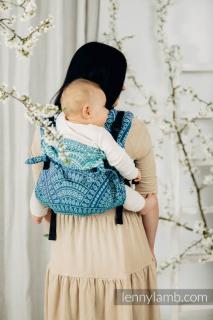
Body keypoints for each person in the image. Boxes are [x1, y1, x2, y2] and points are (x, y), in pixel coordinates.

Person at [30, 42, 160, 319]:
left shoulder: (47, 132)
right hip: (126, 255)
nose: (123, 89)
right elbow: (149, 196)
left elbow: (47, 198)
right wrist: (149, 249)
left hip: (70, 258)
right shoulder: (132, 127)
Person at [30, 78, 156, 224]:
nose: (108, 112)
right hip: (93, 193)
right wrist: (133, 173)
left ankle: (37, 214)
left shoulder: (59, 123)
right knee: (123, 192)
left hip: (59, 188)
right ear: (87, 111)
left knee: (40, 189)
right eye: (104, 107)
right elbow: (118, 159)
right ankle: (144, 207)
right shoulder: (99, 134)